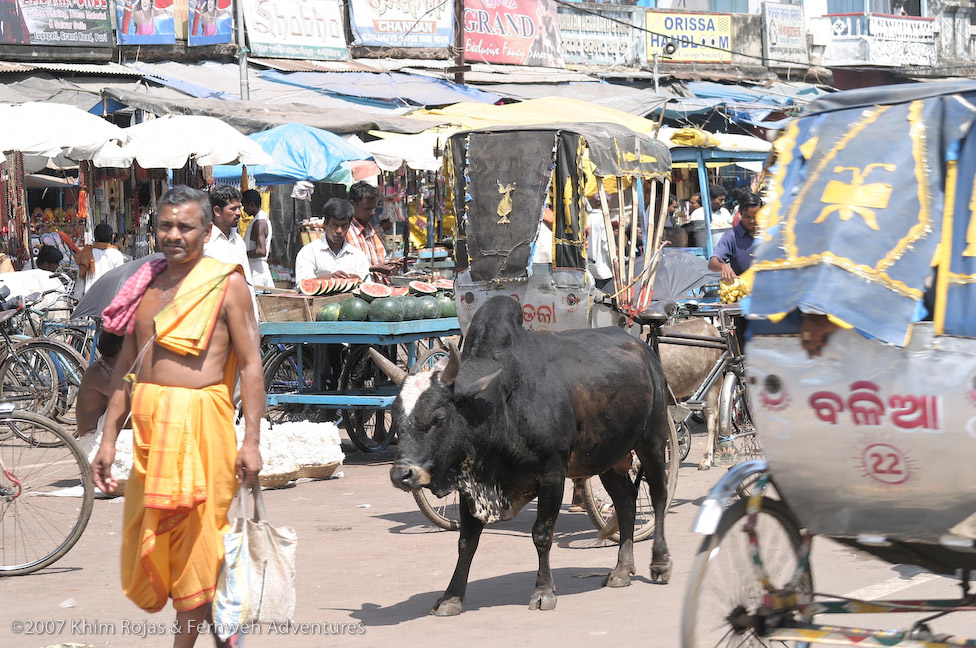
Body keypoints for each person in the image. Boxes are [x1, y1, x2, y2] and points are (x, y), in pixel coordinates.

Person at [91, 185, 264, 648]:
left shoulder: (227, 283)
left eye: (185, 227)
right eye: (165, 226)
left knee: (201, 544)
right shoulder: (143, 285)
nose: (174, 235)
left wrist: (251, 441)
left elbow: (250, 364)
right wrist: (107, 437)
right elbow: (127, 368)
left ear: (207, 232)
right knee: (167, 545)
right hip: (150, 431)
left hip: (203, 427)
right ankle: (228, 638)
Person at [296, 198, 369, 283]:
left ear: (349, 226)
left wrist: (358, 281)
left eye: (344, 226)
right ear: (325, 223)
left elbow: (367, 285)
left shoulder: (358, 255)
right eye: (335, 225)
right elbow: (303, 284)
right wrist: (330, 278)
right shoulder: (309, 252)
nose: (339, 231)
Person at [75, 331, 125, 449]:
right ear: (122, 349)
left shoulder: (115, 369)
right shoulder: (97, 373)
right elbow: (127, 396)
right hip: (92, 441)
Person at [345, 181, 398, 284]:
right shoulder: (345, 232)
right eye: (367, 209)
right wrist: (373, 269)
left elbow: (379, 259)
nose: (373, 213)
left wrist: (390, 263)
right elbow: (343, 270)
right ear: (352, 204)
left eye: (374, 208)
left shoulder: (370, 230)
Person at [204, 186, 253, 287]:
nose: (238, 213)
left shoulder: (239, 242)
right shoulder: (204, 241)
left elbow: (247, 281)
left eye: (239, 208)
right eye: (233, 209)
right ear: (217, 211)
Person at [707, 191, 761, 283]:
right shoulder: (731, 236)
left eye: (756, 217)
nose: (752, 221)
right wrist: (723, 266)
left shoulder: (769, 233)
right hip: (743, 291)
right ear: (740, 213)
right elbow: (712, 263)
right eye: (747, 217)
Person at [75, 223, 125, 299]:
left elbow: (81, 279)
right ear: (112, 237)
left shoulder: (86, 253)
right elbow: (120, 280)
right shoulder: (117, 255)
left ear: (95, 237)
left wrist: (76, 298)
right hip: (110, 299)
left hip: (90, 299)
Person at [242, 189, 274, 289]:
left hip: (256, 274)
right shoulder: (263, 219)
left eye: (244, 206)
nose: (243, 210)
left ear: (251, 204)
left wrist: (242, 253)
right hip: (259, 270)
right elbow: (269, 250)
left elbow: (262, 251)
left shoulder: (259, 222)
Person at [690, 184, 731, 249]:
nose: (723, 203)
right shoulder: (697, 213)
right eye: (720, 200)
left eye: (724, 200)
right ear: (711, 199)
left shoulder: (725, 212)